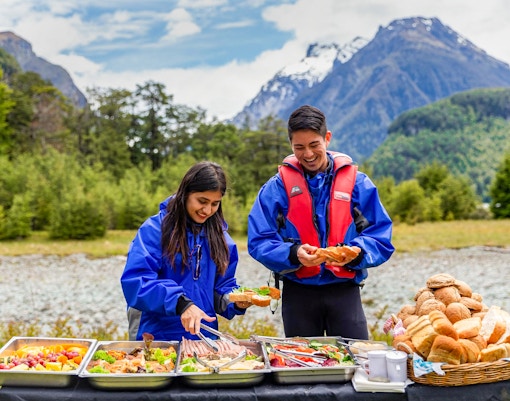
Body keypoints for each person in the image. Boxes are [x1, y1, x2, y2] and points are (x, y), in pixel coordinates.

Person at [247, 105, 394, 340]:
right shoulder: (276, 188)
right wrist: (294, 253)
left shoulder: (358, 184)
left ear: (327, 138)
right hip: (298, 293)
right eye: (299, 147)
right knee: (301, 368)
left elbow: (381, 235)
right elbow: (259, 240)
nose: (307, 154)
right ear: (291, 146)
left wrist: (358, 252)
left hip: (344, 291)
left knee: (356, 361)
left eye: (314, 145)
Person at [121, 161, 251, 341]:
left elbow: (220, 289)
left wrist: (236, 300)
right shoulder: (154, 230)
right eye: (202, 201)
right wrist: (180, 303)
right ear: (185, 193)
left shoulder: (222, 240)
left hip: (203, 339)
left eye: (215, 204)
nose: (207, 210)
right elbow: (136, 283)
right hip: (155, 337)